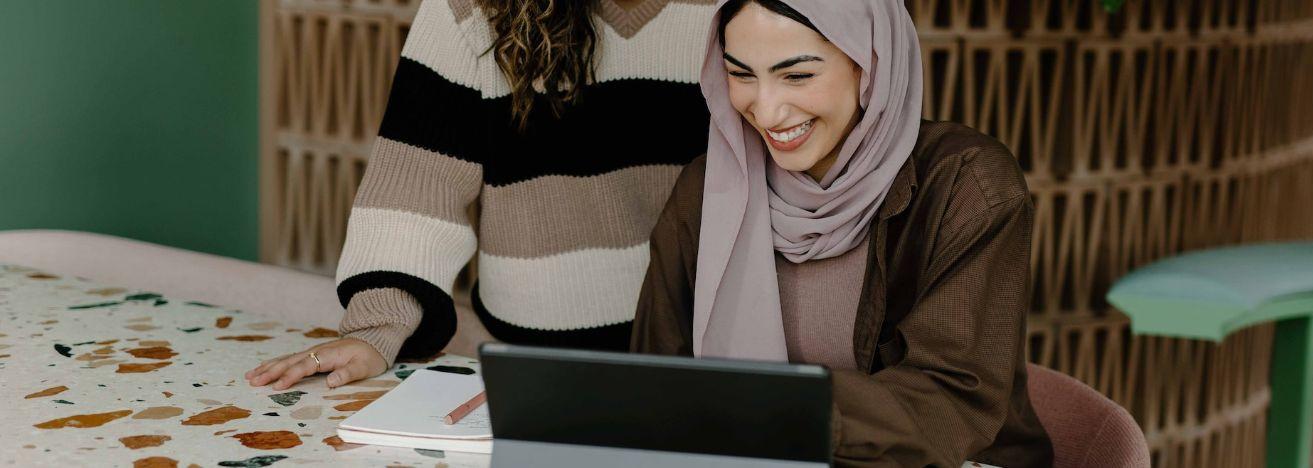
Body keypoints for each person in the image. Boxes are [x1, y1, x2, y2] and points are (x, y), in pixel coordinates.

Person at [630, 0, 1054, 465]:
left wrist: (772, 410)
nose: (767, 111)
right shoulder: (707, 191)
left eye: (797, 75)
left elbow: (950, 399)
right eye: (742, 75)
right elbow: (657, 379)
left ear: (869, 62)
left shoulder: (966, 184)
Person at [248, 0, 715, 390]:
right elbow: (416, 189)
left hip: (708, 363)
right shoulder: (470, 9)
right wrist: (375, 330)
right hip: (524, 371)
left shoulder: (736, 11)